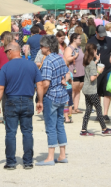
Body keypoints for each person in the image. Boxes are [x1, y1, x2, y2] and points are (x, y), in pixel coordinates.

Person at [0, 42, 43, 170]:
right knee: (27, 132)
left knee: (10, 132)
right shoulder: (31, 65)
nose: (5, 54)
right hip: (27, 100)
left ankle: (10, 162)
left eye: (5, 52)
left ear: (10, 51)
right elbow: (40, 84)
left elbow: (0, 88)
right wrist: (40, 100)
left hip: (11, 100)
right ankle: (27, 161)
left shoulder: (6, 67)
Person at [36, 35, 70, 166]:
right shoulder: (60, 58)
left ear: (47, 47)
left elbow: (45, 84)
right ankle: (62, 155)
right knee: (60, 125)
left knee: (50, 126)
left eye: (42, 46)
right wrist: (64, 81)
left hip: (51, 96)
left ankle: (50, 157)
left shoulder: (48, 61)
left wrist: (39, 100)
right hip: (62, 95)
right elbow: (67, 73)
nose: (40, 48)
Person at [80, 43, 111, 136]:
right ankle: (104, 128)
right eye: (96, 50)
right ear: (94, 51)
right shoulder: (91, 63)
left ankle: (83, 130)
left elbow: (90, 68)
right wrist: (98, 72)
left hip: (86, 89)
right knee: (99, 109)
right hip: (91, 90)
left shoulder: (87, 61)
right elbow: (92, 77)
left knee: (88, 110)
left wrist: (96, 61)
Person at [87, 25, 111, 122]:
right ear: (96, 32)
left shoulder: (110, 40)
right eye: (101, 35)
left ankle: (105, 114)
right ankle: (99, 113)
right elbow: (87, 56)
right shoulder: (91, 41)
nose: (103, 37)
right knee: (96, 92)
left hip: (108, 69)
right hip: (96, 70)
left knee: (107, 92)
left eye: (104, 35)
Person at [64, 33, 85, 114]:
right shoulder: (69, 48)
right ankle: (71, 107)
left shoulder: (79, 48)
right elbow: (66, 59)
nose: (81, 39)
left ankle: (76, 107)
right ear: (74, 39)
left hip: (81, 72)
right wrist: (74, 57)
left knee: (78, 90)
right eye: (79, 38)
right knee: (73, 90)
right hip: (73, 72)